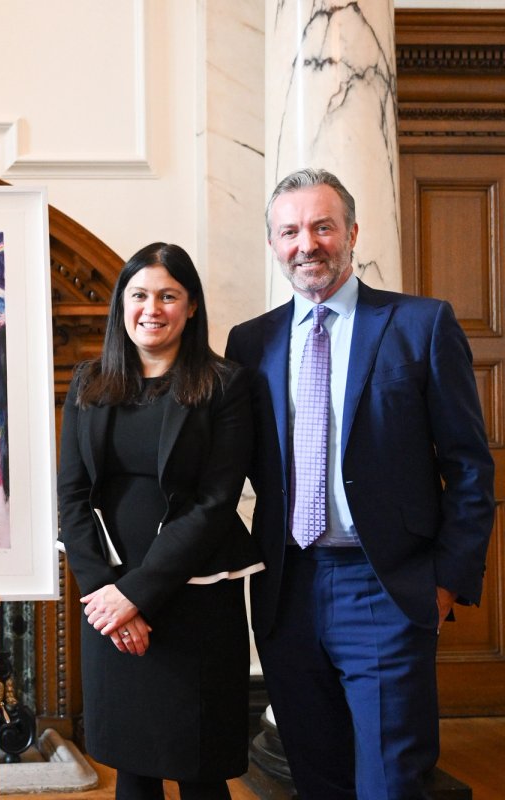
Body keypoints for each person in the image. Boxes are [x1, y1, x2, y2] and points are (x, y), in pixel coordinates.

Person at [225, 168, 495, 799]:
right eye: (290, 230)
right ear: (273, 244)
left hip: (386, 589)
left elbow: (470, 465)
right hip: (287, 588)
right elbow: (225, 467)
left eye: (322, 226)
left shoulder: (419, 325)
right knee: (316, 779)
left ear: (351, 232)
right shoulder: (251, 342)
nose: (307, 243)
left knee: (389, 783)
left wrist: (447, 582)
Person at [58, 242, 264, 800]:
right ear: (122, 304)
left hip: (195, 597)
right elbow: (72, 498)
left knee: (198, 767)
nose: (153, 308)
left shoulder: (226, 385)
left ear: (191, 306)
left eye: (168, 295)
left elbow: (216, 503)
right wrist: (107, 593)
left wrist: (138, 595)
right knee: (132, 763)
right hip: (107, 600)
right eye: (141, 295)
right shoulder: (89, 382)